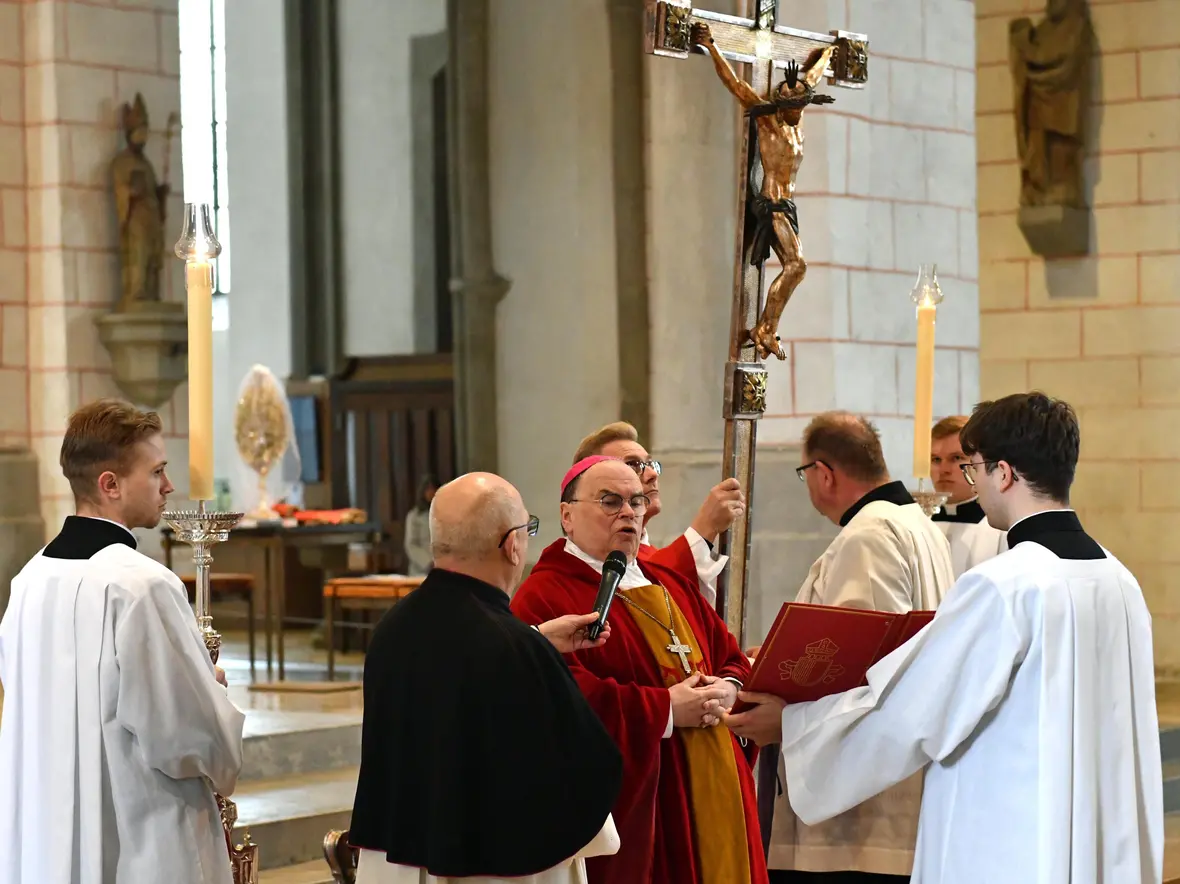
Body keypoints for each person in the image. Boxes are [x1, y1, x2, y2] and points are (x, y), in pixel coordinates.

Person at [729, 393, 1163, 883]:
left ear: (1004, 473)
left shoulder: (1005, 585)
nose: (973, 485)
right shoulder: (1119, 579)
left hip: (1013, 838)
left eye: (973, 467)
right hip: (1098, 834)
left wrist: (793, 723)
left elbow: (912, 712)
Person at [0, 399, 245, 884]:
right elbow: (186, 734)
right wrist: (210, 687)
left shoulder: (29, 579)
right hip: (137, 839)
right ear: (110, 484)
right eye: (156, 471)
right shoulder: (140, 585)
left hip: (42, 838)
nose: (168, 486)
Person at [349, 472, 623, 884]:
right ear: (512, 545)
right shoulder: (513, 648)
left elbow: (453, 684)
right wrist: (533, 650)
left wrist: (536, 642)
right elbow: (582, 767)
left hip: (400, 862)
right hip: (490, 869)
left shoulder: (392, 629)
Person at [511, 456, 767, 884]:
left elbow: (731, 656)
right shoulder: (543, 596)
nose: (629, 512)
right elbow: (558, 698)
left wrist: (728, 688)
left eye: (637, 501)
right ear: (566, 516)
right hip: (645, 809)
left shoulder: (667, 580)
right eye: (610, 501)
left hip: (716, 785)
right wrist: (664, 709)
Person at [738, 412, 954, 883]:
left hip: (862, 812)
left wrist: (785, 718)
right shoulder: (919, 524)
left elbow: (860, 665)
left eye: (805, 475)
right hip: (897, 779)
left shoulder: (870, 536)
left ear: (825, 473)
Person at [573, 421, 744, 605]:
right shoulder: (584, 565)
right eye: (633, 464)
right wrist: (705, 527)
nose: (652, 474)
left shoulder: (652, 553)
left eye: (650, 464)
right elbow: (650, 599)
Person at [929, 416, 1007, 576]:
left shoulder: (1000, 527)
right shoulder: (920, 524)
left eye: (956, 458)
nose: (943, 469)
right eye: (935, 459)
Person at [403, 473, 438, 575]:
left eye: (434, 489)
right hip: (421, 571)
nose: (431, 492)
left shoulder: (445, 514)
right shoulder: (414, 516)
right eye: (428, 489)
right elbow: (411, 545)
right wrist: (429, 562)